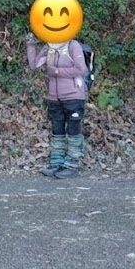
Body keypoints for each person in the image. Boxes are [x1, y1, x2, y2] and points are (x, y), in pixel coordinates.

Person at [26, 33, 88, 178]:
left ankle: (72, 164)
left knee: (73, 129)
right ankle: (56, 162)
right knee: (57, 129)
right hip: (54, 97)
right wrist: (31, 45)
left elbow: (81, 69)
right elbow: (34, 65)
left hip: (74, 95)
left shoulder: (73, 45)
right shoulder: (49, 48)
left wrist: (57, 71)